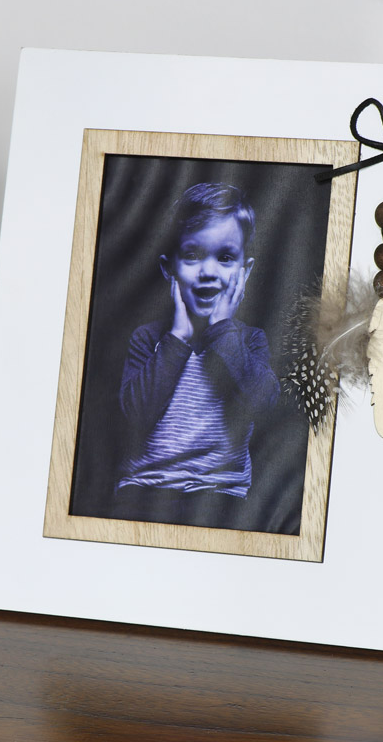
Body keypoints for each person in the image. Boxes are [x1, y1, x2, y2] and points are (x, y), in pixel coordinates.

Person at [114, 182, 280, 526]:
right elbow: (134, 416)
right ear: (169, 268)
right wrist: (178, 336)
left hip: (222, 496)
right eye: (192, 255)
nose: (207, 272)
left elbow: (265, 405)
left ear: (244, 271)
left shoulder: (249, 340)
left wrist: (222, 329)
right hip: (144, 490)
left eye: (224, 257)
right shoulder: (149, 339)